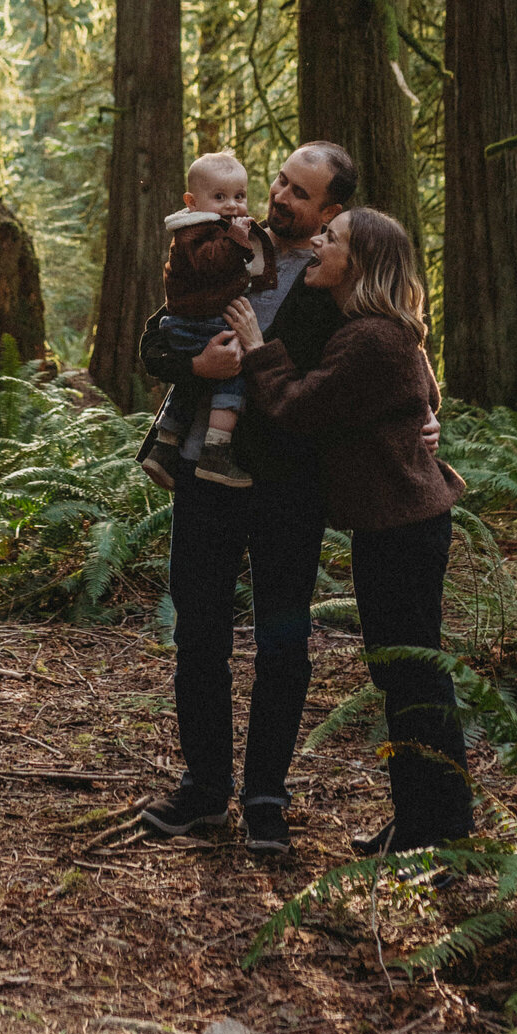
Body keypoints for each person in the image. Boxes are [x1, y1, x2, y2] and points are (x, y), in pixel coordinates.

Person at [226, 206, 473, 859]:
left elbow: (298, 408)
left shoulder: (369, 339)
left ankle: (441, 831)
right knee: (401, 672)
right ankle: (419, 818)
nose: (316, 245)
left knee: (414, 674)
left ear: (356, 262)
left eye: (329, 239)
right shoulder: (380, 329)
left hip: (404, 528)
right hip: (396, 524)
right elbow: (424, 391)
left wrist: (257, 349)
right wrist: (421, 418)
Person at [137, 142, 361, 857]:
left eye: (301, 193)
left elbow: (391, 340)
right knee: (198, 635)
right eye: (280, 182)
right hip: (205, 477)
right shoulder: (229, 243)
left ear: (332, 210)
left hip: (288, 485)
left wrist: (426, 407)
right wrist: (191, 364)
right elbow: (162, 329)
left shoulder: (335, 276)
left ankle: (266, 795)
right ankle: (205, 789)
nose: (279, 197)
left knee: (283, 644)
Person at [143, 150, 278, 492]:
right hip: (197, 324)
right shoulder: (196, 232)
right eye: (220, 197)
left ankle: (165, 444)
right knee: (234, 374)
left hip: (191, 321)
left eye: (240, 196)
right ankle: (215, 451)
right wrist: (238, 240)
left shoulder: (213, 229)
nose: (232, 205)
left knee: (194, 383)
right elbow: (212, 264)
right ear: (191, 201)